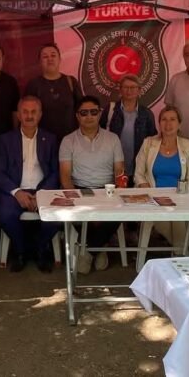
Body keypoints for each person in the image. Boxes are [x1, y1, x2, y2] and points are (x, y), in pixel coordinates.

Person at [0, 96, 60, 273]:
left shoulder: (50, 139)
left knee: (55, 216)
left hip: (42, 190)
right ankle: (21, 250)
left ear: (40, 115)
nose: (29, 116)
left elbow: (55, 172)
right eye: (25, 112)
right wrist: (17, 192)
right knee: (6, 215)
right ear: (18, 115)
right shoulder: (6, 139)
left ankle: (40, 248)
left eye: (33, 112)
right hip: (14, 191)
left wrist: (41, 194)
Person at [59, 96, 124, 274]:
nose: (89, 116)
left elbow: (120, 172)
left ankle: (88, 251)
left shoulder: (113, 139)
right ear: (77, 116)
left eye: (93, 112)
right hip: (80, 189)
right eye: (84, 113)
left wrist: (115, 195)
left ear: (100, 114)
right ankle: (100, 247)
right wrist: (75, 199)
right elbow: (65, 176)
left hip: (107, 190)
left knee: (121, 211)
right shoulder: (68, 141)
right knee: (75, 212)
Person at [134, 106, 189, 250]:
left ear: (179, 124)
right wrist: (148, 191)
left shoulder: (188, 146)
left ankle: (179, 250)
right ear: (159, 123)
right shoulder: (148, 143)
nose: (168, 124)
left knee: (177, 216)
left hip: (180, 198)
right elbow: (138, 174)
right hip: (153, 199)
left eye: (172, 119)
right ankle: (183, 251)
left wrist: (180, 196)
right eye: (164, 119)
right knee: (169, 217)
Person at [100, 74, 157, 184]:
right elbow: (99, 134)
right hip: (111, 168)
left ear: (139, 90)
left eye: (133, 87)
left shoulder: (146, 114)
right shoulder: (111, 110)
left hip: (138, 169)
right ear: (120, 90)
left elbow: (152, 141)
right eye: (125, 87)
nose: (129, 91)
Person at [24, 43, 83, 143]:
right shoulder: (33, 85)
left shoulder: (71, 82)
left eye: (53, 55)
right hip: (43, 142)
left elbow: (82, 110)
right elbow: (27, 114)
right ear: (40, 62)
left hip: (70, 141)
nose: (50, 59)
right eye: (45, 57)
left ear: (59, 59)